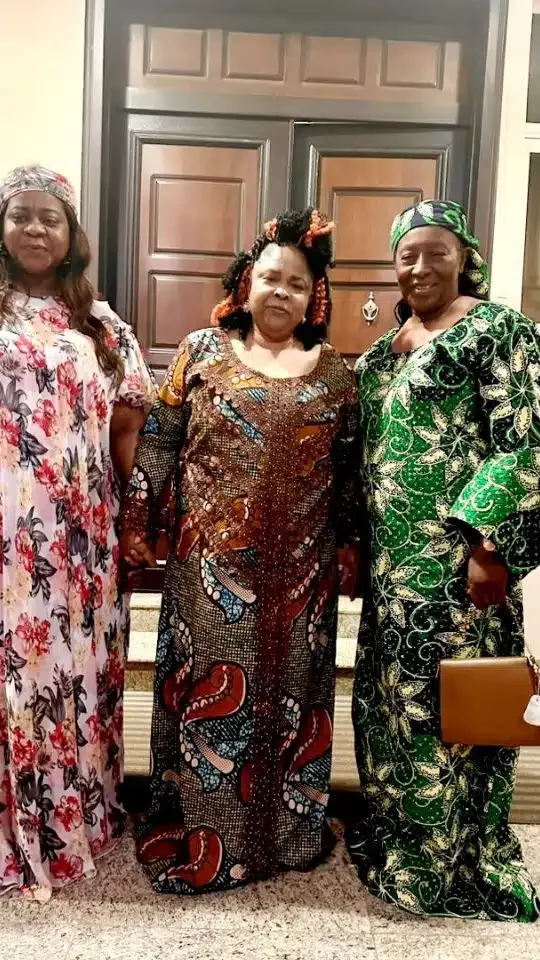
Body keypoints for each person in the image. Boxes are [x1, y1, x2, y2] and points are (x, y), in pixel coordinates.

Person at [120, 209, 360, 894]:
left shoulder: (336, 375)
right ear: (246, 282)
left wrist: (348, 549)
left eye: (296, 283)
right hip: (210, 571)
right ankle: (208, 841)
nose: (280, 292)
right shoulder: (200, 351)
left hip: (301, 578)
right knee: (212, 705)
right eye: (269, 278)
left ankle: (287, 839)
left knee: (292, 704)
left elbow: (346, 473)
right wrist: (140, 517)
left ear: (313, 296)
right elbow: (161, 438)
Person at [346, 199, 540, 922]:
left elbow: (524, 442)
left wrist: (493, 550)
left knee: (449, 708)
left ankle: (454, 857)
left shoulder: (498, 329)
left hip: (457, 566)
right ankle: (404, 842)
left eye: (436, 251)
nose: (421, 266)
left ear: (465, 256)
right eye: (407, 253)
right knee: (389, 709)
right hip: (390, 570)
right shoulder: (384, 347)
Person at [0, 166, 156, 900]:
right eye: (20, 215)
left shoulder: (102, 326)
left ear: (71, 236)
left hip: (78, 539)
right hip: (5, 534)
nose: (34, 229)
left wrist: (136, 524)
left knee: (72, 663)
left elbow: (129, 429)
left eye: (49, 218)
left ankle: (73, 815)